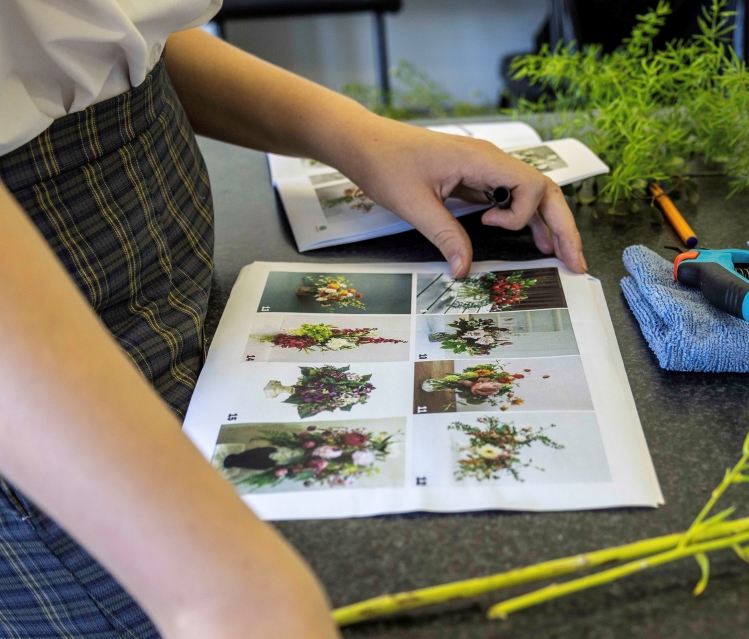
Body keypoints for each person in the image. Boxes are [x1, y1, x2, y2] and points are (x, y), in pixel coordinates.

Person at [0, 2, 586, 638]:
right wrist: (214, 591)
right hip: (40, 350)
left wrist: (362, 139)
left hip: (170, 226)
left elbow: (101, 31)